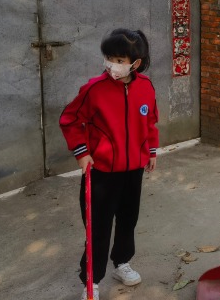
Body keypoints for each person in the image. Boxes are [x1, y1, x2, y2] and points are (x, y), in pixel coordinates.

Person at [60, 29, 158, 300]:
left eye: (118, 59)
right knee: (98, 226)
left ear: (135, 63)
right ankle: (91, 280)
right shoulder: (94, 89)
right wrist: (82, 153)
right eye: (109, 58)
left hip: (133, 170)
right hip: (101, 173)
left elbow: (149, 121)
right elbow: (69, 120)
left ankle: (122, 262)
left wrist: (150, 151)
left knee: (128, 220)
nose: (112, 64)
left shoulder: (146, 86)